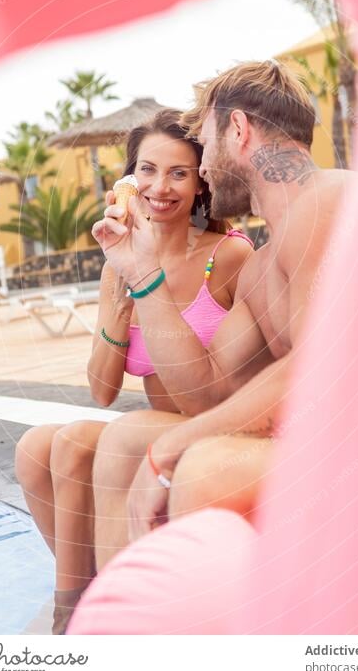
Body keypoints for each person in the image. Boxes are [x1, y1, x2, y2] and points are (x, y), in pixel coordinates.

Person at [92, 59, 356, 564]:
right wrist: (143, 274)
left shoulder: (330, 201)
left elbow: (325, 367)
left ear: (237, 129)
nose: (204, 167)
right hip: (330, 441)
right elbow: (204, 390)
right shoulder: (260, 271)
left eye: (206, 144)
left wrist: (171, 449)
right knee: (160, 448)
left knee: (202, 467)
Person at [14, 109, 253, 634]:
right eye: (147, 170)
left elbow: (237, 376)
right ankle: (88, 595)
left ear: (200, 183)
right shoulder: (115, 260)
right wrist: (124, 295)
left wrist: (150, 282)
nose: (159, 187)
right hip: (151, 421)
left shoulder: (228, 256)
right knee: (39, 446)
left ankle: (72, 618)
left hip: (212, 420)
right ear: (128, 179)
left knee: (81, 437)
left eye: (178, 173)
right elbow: (102, 390)